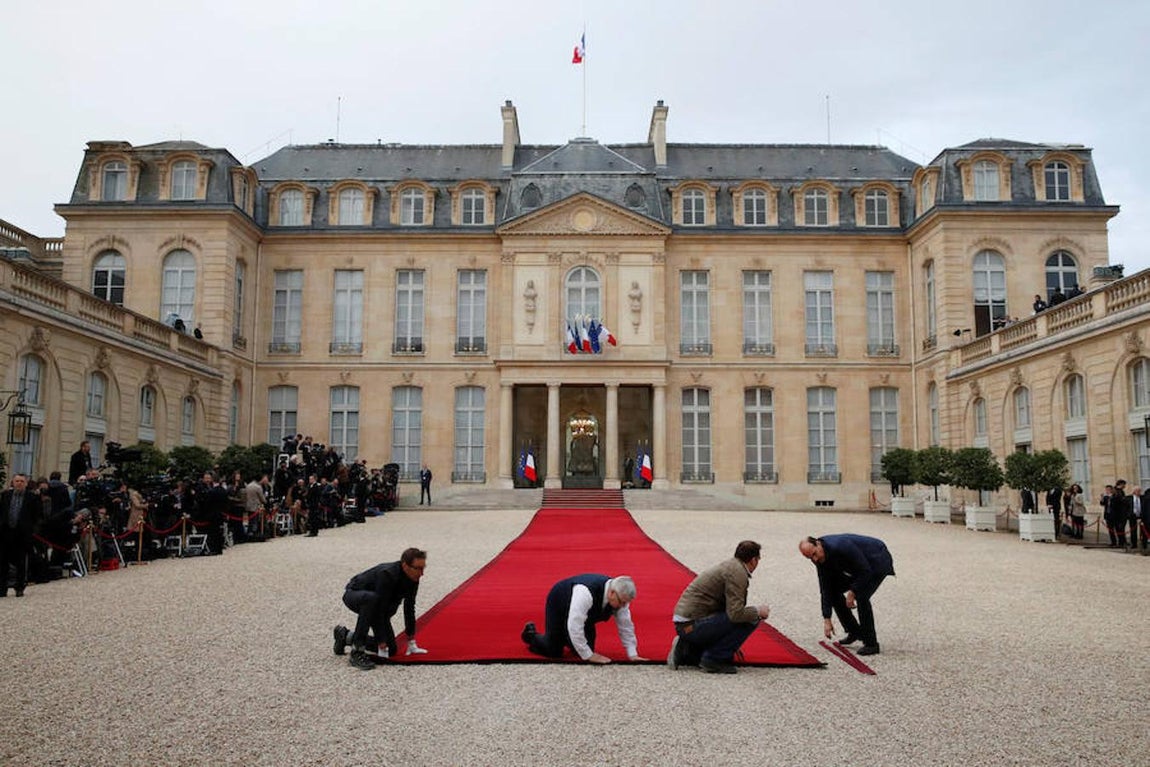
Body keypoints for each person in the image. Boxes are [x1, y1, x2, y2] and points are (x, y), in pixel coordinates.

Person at [667, 540, 770, 674]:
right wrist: (758, 611)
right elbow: (735, 614)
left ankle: (688, 648)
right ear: (754, 560)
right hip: (691, 625)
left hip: (686, 625)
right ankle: (714, 659)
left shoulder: (731, 566)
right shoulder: (738, 573)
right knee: (752, 618)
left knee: (738, 617)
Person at [332, 547, 429, 670]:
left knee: (391, 649)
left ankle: (345, 636)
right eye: (418, 568)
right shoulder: (387, 574)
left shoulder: (413, 577)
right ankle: (357, 651)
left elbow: (409, 607)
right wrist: (380, 638)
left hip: (377, 607)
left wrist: (411, 637)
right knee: (371, 600)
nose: (422, 573)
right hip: (355, 595)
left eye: (423, 568)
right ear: (405, 565)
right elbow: (379, 610)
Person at [798, 534, 895, 656]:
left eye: (814, 554)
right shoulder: (820, 557)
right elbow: (825, 588)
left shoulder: (840, 546)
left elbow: (865, 570)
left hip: (876, 560)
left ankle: (871, 644)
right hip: (858, 568)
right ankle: (854, 631)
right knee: (834, 592)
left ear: (818, 543)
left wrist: (852, 591)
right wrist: (826, 618)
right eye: (810, 558)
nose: (815, 559)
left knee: (862, 596)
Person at [521, 574, 646, 664]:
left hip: (585, 616)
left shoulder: (620, 598)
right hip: (559, 603)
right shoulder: (585, 592)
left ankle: (567, 639)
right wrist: (589, 656)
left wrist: (632, 654)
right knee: (554, 651)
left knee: (583, 650)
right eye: (621, 602)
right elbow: (574, 625)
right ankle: (530, 634)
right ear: (612, 593)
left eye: (626, 603)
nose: (623, 606)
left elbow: (626, 626)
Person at [1, 474, 43, 597]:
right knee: (3, 562)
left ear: (25, 483)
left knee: (21, 561)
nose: (19, 483)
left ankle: (19, 587)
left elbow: (37, 515)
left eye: (22, 481)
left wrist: (33, 531)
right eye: (17, 481)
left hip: (23, 533)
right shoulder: (5, 495)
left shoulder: (32, 497)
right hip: (6, 532)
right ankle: (2, 588)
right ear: (13, 482)